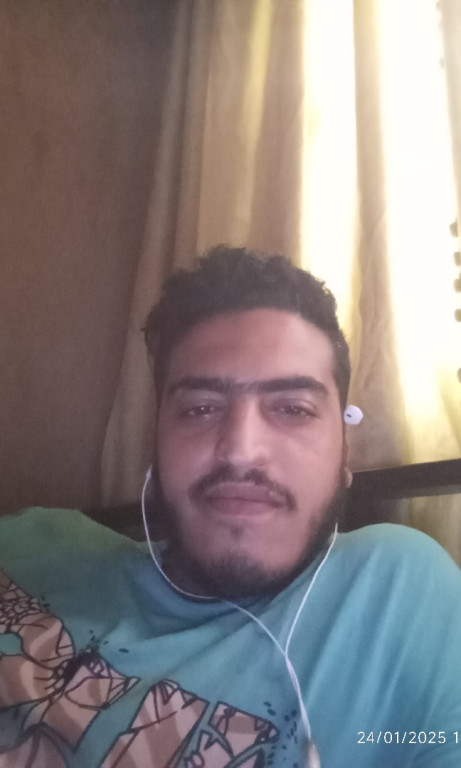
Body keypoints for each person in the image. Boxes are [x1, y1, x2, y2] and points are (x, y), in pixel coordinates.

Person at [0, 246, 460, 768]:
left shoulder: (393, 590)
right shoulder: (37, 538)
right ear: (156, 441)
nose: (240, 450)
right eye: (200, 408)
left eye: (292, 409)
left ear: (344, 452)